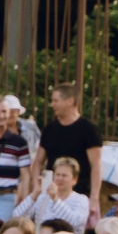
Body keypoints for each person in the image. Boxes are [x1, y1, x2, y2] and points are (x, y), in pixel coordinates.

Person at [39, 82, 106, 218]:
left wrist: (94, 198)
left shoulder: (89, 130)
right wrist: (37, 188)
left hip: (79, 193)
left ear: (70, 101)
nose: (52, 105)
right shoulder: (49, 129)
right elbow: (38, 162)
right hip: (52, 192)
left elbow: (96, 166)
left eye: (56, 101)